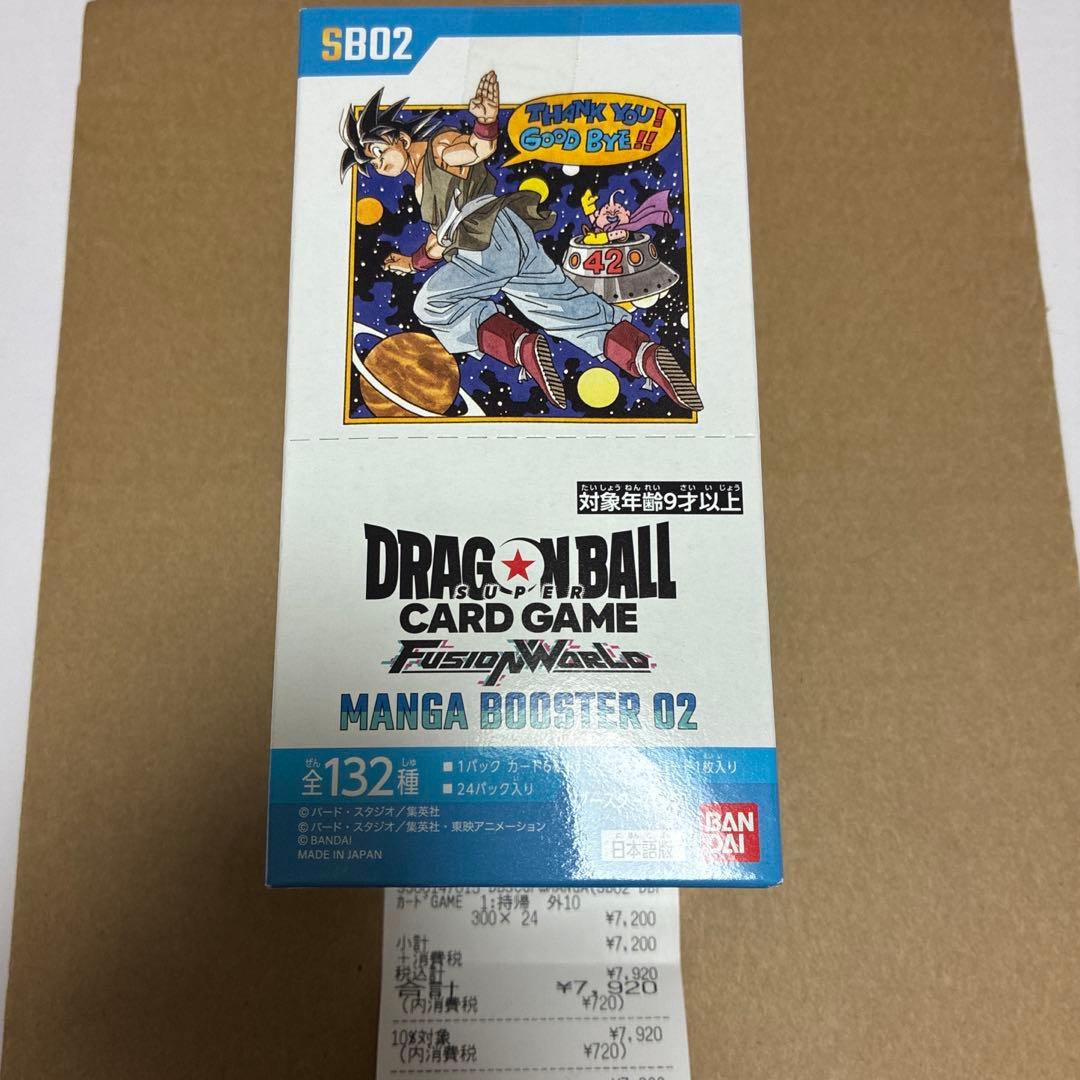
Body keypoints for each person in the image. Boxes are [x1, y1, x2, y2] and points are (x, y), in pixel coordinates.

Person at [340, 71, 702, 412]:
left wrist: (486, 122)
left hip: (484, 242)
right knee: (564, 307)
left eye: (378, 151)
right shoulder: (422, 176)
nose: (378, 164)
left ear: (401, 139)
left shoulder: (438, 148)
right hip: (510, 234)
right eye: (370, 162)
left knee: (433, 304)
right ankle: (644, 356)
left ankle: (520, 346)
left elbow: (476, 150)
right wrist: (411, 262)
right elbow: (439, 242)